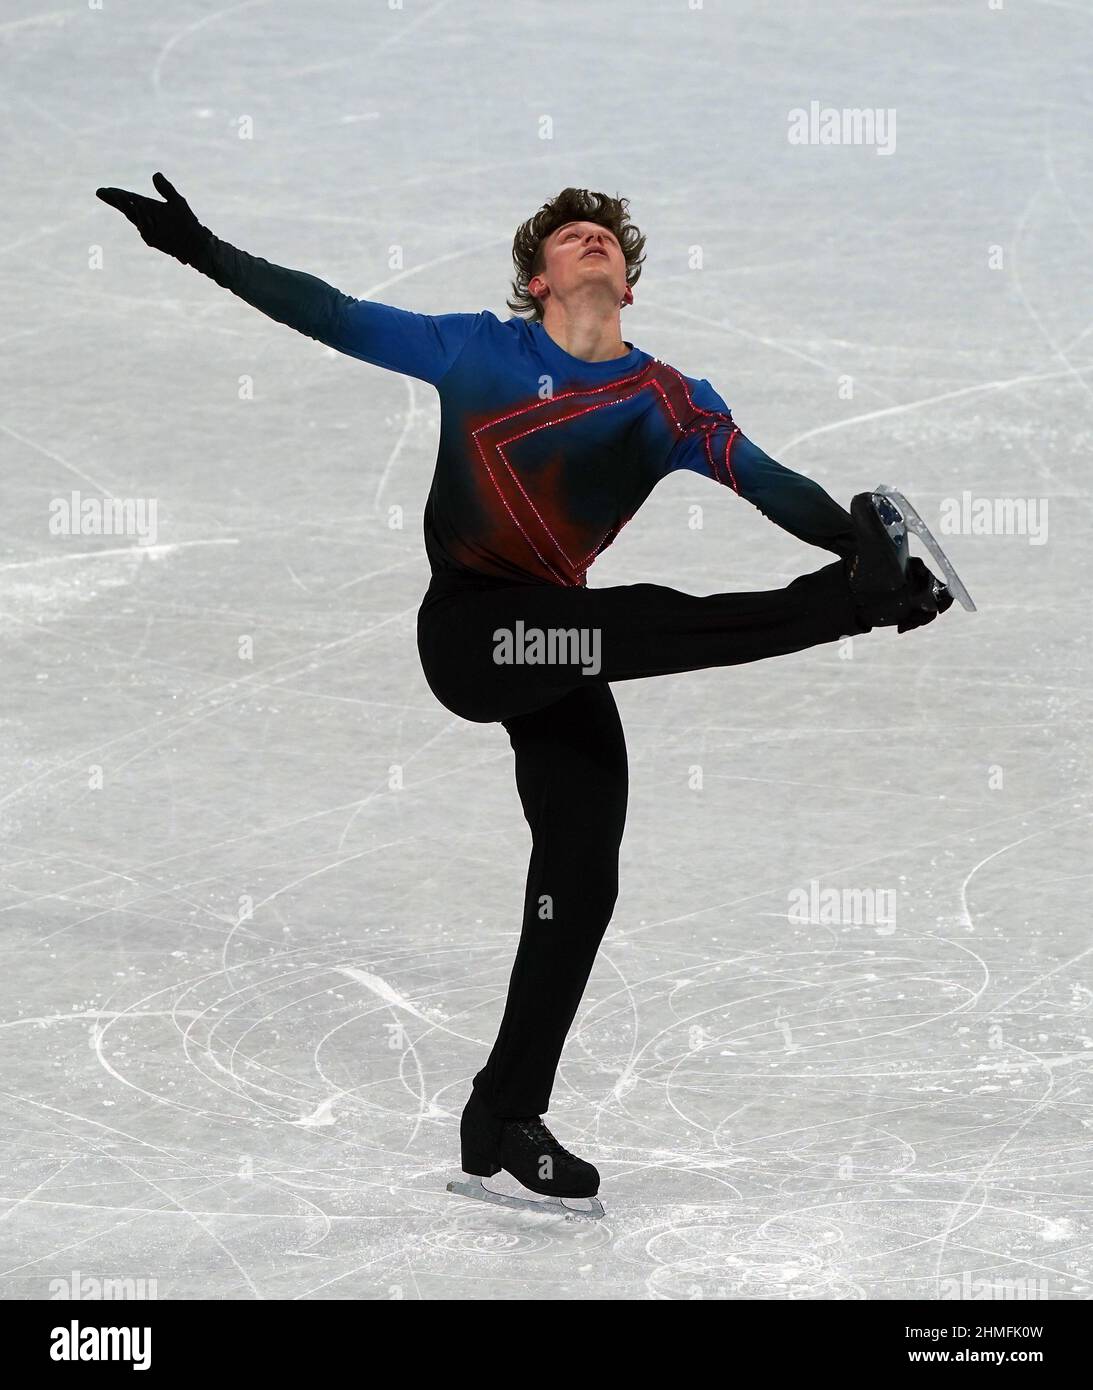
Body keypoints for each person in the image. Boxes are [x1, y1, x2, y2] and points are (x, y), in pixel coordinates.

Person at [96, 174, 950, 1214]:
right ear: (535, 283)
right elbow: (330, 312)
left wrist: (861, 545)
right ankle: (843, 609)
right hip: (473, 632)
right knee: (637, 619)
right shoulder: (478, 354)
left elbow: (769, 482)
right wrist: (203, 249)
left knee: (582, 869)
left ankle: (502, 1114)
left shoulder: (669, 400)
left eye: (605, 239)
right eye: (568, 239)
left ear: (625, 283)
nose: (590, 242)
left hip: (557, 643)